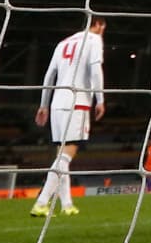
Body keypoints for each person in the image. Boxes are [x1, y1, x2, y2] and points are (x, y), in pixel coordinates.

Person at [30, 16, 106, 218]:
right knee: (66, 157)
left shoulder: (63, 43)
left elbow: (49, 75)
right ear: (98, 24)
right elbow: (96, 70)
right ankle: (41, 202)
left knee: (62, 158)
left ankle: (67, 204)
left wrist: (43, 105)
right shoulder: (94, 40)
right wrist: (100, 99)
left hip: (56, 104)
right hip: (77, 101)